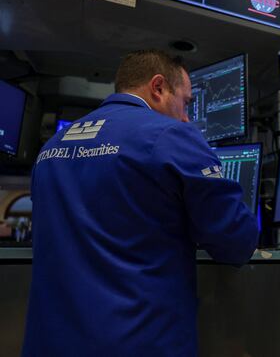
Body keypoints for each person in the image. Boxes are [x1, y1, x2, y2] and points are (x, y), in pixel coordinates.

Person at [22, 50, 259, 356]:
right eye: (186, 102)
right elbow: (235, 240)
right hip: (138, 341)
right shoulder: (171, 135)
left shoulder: (51, 147)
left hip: (49, 344)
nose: (186, 116)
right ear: (158, 87)